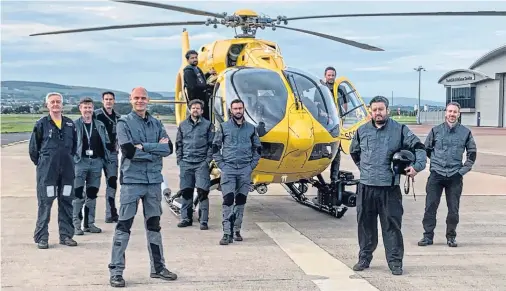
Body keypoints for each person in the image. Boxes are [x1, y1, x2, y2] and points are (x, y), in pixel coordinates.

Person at [349, 96, 427, 275]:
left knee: (392, 226)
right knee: (365, 225)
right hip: (366, 187)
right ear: (370, 111)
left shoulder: (399, 130)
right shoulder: (361, 131)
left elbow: (419, 147)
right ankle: (364, 258)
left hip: (389, 189)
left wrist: (416, 167)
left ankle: (395, 262)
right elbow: (354, 152)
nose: (378, 113)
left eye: (381, 109)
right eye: (374, 109)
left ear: (387, 110)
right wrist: (365, 169)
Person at [108, 87, 177, 288]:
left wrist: (144, 147)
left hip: (153, 182)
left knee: (154, 226)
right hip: (131, 182)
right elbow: (128, 151)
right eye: (136, 98)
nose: (140, 101)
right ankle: (116, 271)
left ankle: (158, 268)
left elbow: (169, 148)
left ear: (148, 100)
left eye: (143, 98)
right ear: (131, 100)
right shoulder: (124, 123)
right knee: (124, 226)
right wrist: (155, 149)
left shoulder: (157, 123)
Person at [418, 102, 477, 248]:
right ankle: (427, 236)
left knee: (453, 209)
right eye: (450, 111)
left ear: (459, 114)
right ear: (445, 113)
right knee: (430, 206)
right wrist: (436, 163)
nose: (452, 114)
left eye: (455, 112)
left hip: (455, 176)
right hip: (436, 175)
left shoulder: (465, 132)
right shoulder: (435, 131)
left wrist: (462, 170)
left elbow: (472, 153)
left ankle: (451, 236)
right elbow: (426, 149)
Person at [29, 92, 78, 249]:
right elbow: (33, 150)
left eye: (58, 102)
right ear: (47, 105)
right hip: (47, 173)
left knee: (67, 202)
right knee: (45, 203)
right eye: (52, 102)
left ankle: (66, 236)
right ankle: (42, 237)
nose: (55, 104)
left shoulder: (70, 124)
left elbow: (74, 147)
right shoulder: (41, 124)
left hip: (67, 172)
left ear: (62, 105)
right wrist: (44, 164)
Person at [212, 99, 262, 245]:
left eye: (240, 108)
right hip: (229, 169)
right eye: (235, 108)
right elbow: (215, 147)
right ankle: (226, 233)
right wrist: (222, 164)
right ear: (231, 110)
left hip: (244, 170)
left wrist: (251, 166)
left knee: (241, 201)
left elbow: (257, 149)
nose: (238, 111)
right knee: (228, 200)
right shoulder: (223, 127)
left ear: (243, 109)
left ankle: (236, 230)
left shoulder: (251, 129)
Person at [72, 97, 111, 235]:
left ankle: (89, 224)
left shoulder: (99, 124)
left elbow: (106, 142)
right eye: (85, 107)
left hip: (96, 162)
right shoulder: (74, 124)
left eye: (90, 107)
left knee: (92, 194)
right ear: (80, 108)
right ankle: (76, 225)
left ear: (93, 109)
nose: (87, 110)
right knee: (77, 194)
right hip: (80, 162)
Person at [175, 99, 215, 230]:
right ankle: (186, 218)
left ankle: (203, 220)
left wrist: (206, 161)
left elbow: (211, 145)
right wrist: (180, 160)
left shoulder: (208, 125)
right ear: (189, 110)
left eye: (198, 108)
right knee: (186, 192)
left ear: (202, 111)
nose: (195, 110)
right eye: (193, 108)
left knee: (203, 192)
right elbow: (178, 144)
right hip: (186, 163)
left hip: (201, 164)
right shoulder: (182, 125)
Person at [94, 91, 121, 223]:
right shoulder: (96, 115)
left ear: (114, 101)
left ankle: (110, 213)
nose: (109, 101)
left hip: (112, 155)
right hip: (97, 155)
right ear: (102, 101)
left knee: (112, 184)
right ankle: (87, 218)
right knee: (93, 185)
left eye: (111, 99)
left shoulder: (118, 117)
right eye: (106, 99)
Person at [183, 49, 216, 120]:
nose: (195, 59)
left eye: (196, 57)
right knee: (201, 119)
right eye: (192, 58)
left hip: (202, 100)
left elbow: (200, 80)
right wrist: (208, 86)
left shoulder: (196, 68)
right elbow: (192, 86)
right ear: (187, 60)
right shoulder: (188, 71)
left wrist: (208, 74)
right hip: (197, 101)